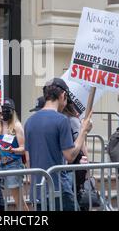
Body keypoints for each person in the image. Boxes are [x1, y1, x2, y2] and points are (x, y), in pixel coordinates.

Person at [25, 78, 93, 211]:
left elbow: (28, 160)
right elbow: (70, 156)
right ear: (63, 95)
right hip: (58, 188)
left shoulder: (29, 122)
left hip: (38, 189)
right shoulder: (62, 120)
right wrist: (83, 131)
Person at [0, 98, 29, 211]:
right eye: (2, 110)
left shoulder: (17, 126)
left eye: (7, 110)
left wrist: (13, 150)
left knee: (18, 200)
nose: (4, 112)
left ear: (12, 111)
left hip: (12, 165)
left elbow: (24, 148)